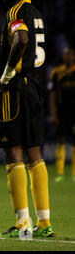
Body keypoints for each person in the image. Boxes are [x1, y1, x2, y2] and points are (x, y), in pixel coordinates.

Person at [0, 0, 54, 238]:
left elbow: (21, 40)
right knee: (34, 153)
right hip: (36, 89)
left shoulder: (17, 11)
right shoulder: (37, 13)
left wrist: (7, 74)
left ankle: (23, 224)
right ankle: (44, 223)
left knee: (13, 151)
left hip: (17, 89)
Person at [49, 45, 75, 182]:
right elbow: (52, 94)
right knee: (62, 140)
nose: (68, 57)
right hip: (62, 112)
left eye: (70, 54)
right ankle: (60, 173)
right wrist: (53, 113)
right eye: (66, 54)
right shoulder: (56, 73)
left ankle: (74, 173)